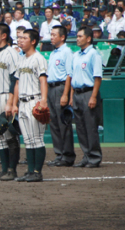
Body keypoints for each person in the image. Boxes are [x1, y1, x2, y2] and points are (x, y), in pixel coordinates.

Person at [12, 30, 48, 182]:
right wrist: (14, 104)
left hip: (35, 101)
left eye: (24, 38)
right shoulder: (21, 59)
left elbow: (43, 80)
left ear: (33, 41)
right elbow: (17, 83)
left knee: (37, 139)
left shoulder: (39, 58)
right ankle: (30, 171)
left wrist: (44, 100)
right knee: (28, 139)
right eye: (20, 38)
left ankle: (37, 172)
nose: (21, 40)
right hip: (22, 103)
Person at [0, 24, 20, 181]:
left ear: (4, 35)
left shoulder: (11, 53)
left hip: (5, 97)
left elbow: (15, 78)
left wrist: (11, 102)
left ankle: (12, 170)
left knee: (9, 136)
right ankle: (4, 169)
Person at [69, 27, 102, 168]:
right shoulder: (75, 55)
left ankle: (94, 157)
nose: (77, 38)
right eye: (77, 36)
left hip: (88, 92)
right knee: (81, 128)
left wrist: (93, 97)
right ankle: (86, 156)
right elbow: (72, 78)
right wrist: (71, 97)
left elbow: (97, 77)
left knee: (90, 127)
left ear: (88, 38)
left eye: (80, 36)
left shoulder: (94, 54)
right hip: (76, 93)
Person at [46, 25, 76, 167]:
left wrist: (66, 94)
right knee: (54, 124)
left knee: (63, 123)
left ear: (62, 37)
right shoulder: (53, 53)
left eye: (54, 35)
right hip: (51, 89)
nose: (51, 37)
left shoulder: (67, 52)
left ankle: (68, 156)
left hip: (61, 87)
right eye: (50, 34)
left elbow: (69, 74)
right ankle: (59, 154)